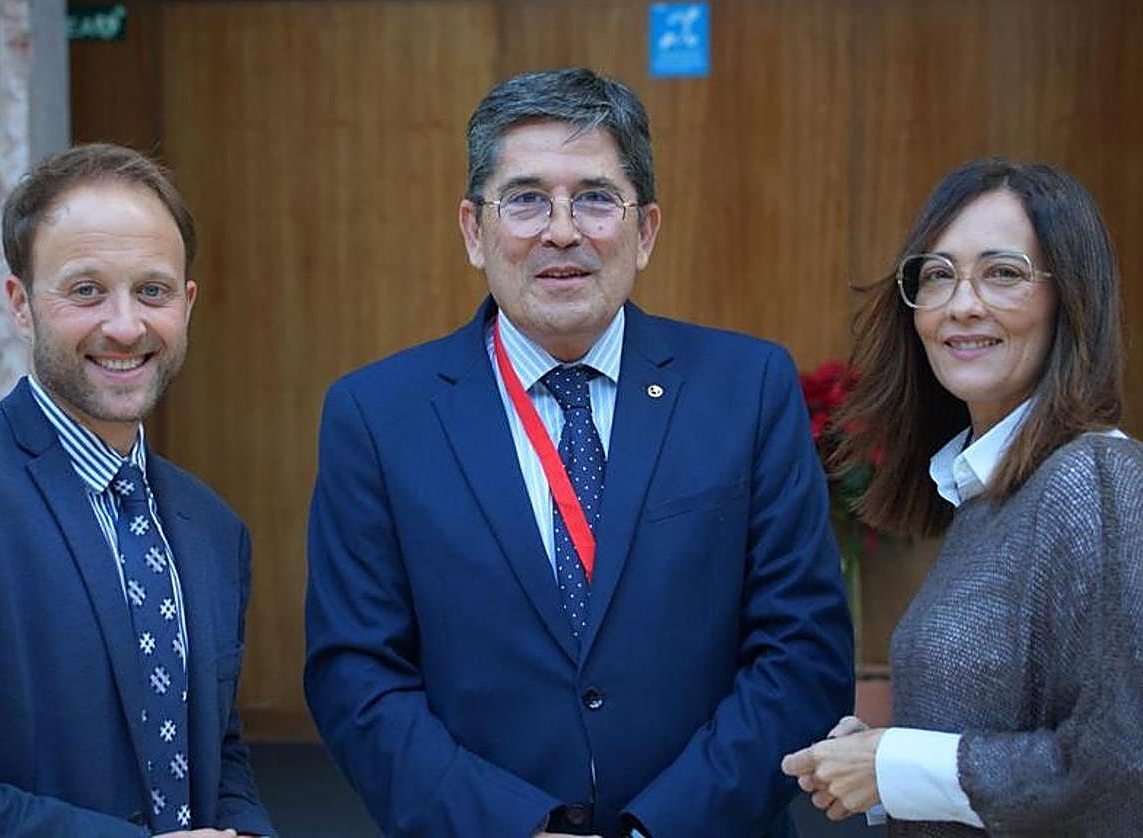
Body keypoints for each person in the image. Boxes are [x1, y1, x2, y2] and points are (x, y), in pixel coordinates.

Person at [304, 67, 853, 838]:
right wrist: (516, 827)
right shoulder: (377, 416)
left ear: (646, 230)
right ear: (473, 230)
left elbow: (802, 653)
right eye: (526, 199)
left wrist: (655, 828)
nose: (562, 230)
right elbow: (358, 677)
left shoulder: (746, 389)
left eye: (595, 197)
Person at [780, 159, 1143, 835]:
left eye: (1003, 273)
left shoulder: (1092, 479)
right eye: (938, 275)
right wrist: (878, 764)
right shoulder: (988, 492)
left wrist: (898, 763)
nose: (961, 304)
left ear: (1071, 299)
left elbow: (1121, 766)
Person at [0, 144, 274, 837]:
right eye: (86, 290)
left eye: (151, 290)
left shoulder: (214, 529)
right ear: (21, 304)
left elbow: (215, 753)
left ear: (186, 304)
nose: (125, 326)